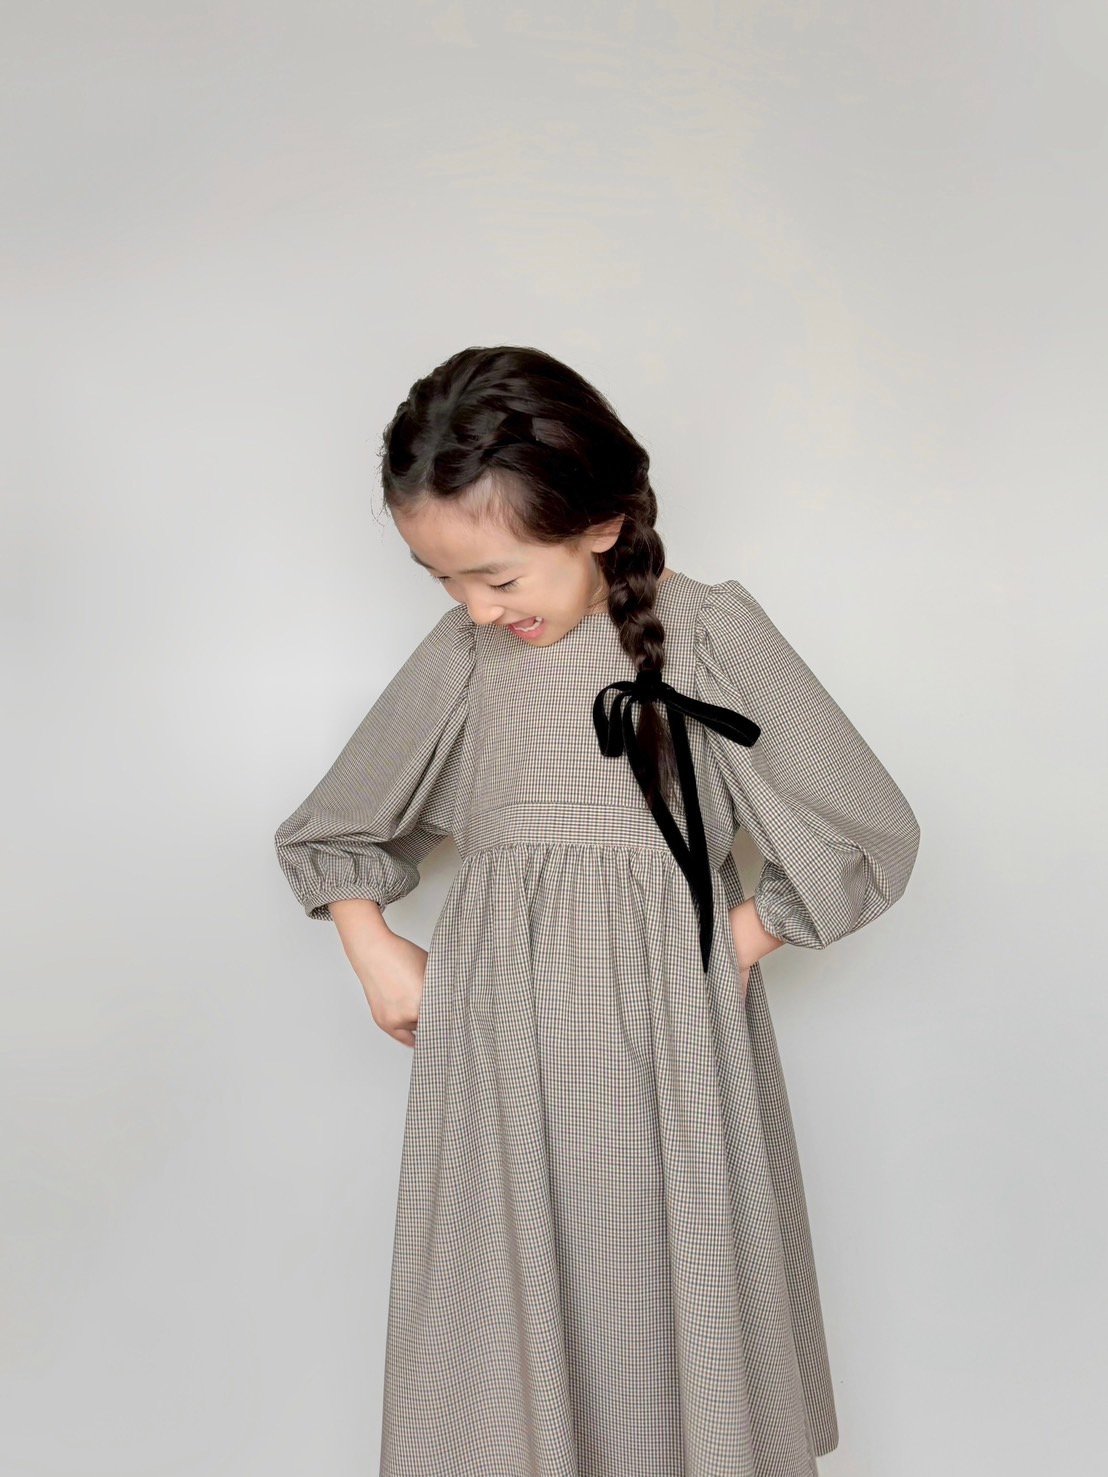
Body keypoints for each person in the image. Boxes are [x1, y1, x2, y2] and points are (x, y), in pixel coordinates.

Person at [273, 345, 921, 1477]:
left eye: (498, 577)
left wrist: (739, 939)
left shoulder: (707, 632)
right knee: (504, 1359)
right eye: (445, 581)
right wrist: (372, 948)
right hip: (499, 1070)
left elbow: (863, 824)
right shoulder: (467, 655)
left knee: (668, 1337)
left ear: (602, 523)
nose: (477, 608)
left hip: (673, 1059)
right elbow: (337, 826)